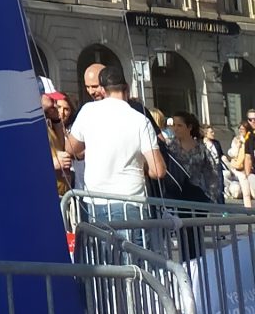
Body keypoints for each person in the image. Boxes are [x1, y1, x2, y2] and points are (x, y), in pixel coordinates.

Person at [66, 65, 167, 220]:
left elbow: (71, 148)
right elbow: (158, 171)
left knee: (99, 237)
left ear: (103, 90)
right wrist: (144, 167)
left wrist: (86, 151)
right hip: (131, 201)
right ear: (126, 88)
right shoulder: (140, 120)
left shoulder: (87, 111)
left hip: (95, 201)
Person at [167, 111, 222, 204]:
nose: (175, 129)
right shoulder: (169, 147)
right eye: (174, 125)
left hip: (198, 196)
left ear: (189, 127)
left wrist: (212, 196)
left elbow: (212, 173)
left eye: (179, 126)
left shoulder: (201, 148)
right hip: (176, 197)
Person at [44, 91, 74, 195]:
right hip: (47, 193)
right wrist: (52, 164)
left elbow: (61, 147)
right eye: (52, 101)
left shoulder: (52, 124)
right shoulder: (33, 125)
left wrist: (56, 120)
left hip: (63, 191)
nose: (55, 106)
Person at [227, 113, 255, 209]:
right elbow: (232, 153)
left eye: (243, 129)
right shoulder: (237, 140)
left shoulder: (250, 138)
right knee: (246, 192)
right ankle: (248, 210)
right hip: (240, 169)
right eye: (240, 129)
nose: (241, 131)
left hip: (248, 169)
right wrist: (238, 146)